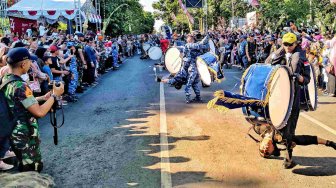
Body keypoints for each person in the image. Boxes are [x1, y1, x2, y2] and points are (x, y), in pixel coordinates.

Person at [2, 47, 64, 172]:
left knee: (25, 165)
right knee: (32, 169)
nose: (30, 65)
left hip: (15, 131)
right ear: (23, 64)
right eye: (30, 62)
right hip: (24, 134)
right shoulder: (20, 86)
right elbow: (40, 112)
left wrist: (42, 98)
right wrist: (54, 95)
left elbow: (19, 102)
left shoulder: (7, 79)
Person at [266, 32, 311, 169]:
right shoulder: (281, 52)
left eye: (289, 45)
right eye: (284, 44)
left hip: (293, 97)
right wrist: (280, 49)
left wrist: (300, 78)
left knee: (290, 127)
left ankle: (288, 158)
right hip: (278, 94)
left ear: (296, 44)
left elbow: (307, 79)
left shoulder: (303, 58)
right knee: (274, 123)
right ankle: (273, 148)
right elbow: (268, 62)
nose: (287, 47)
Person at [162, 33, 209, 103]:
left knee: (189, 84)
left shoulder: (189, 45)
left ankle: (188, 98)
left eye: (188, 37)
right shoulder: (197, 46)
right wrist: (207, 37)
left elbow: (194, 46)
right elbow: (203, 46)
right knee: (194, 84)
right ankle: (198, 97)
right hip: (198, 68)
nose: (186, 39)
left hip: (192, 68)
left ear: (191, 39)